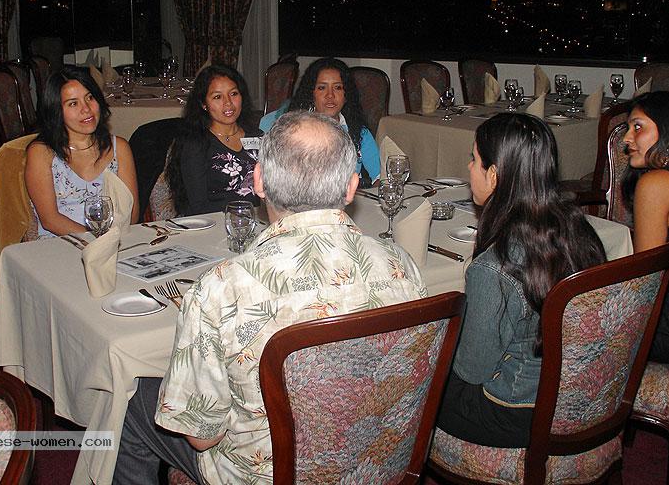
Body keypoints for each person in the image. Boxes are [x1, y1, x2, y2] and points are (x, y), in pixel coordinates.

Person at [113, 111, 426, 484]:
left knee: (132, 401)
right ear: (351, 187)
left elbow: (201, 437)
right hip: (376, 465)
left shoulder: (219, 288)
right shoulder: (401, 266)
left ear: (258, 180)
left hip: (265, 475)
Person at [436, 112, 605, 447]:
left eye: (474, 159)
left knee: (413, 386)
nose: (469, 167)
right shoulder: (580, 230)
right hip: (578, 393)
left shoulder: (494, 267)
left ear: (494, 175)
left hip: (513, 410)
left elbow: (471, 371)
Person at [25, 66, 138, 237]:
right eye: (73, 103)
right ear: (56, 110)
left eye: (90, 97)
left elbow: (132, 215)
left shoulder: (119, 148)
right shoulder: (42, 153)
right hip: (60, 242)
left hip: (114, 241)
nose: (86, 109)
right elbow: (50, 220)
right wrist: (96, 240)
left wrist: (108, 242)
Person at [622, 91, 669, 363]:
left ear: (668, 129)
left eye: (638, 127)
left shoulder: (656, 184)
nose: (627, 138)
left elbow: (645, 279)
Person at [259, 57, 381, 185]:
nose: (330, 95)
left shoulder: (359, 133)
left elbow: (379, 177)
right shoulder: (293, 131)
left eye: (338, 87)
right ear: (311, 93)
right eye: (322, 88)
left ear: (346, 95)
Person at [166, 65, 261, 215]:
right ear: (204, 104)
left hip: (259, 220)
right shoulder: (196, 144)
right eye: (217, 97)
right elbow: (198, 206)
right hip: (215, 223)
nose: (228, 103)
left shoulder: (257, 136)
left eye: (234, 94)